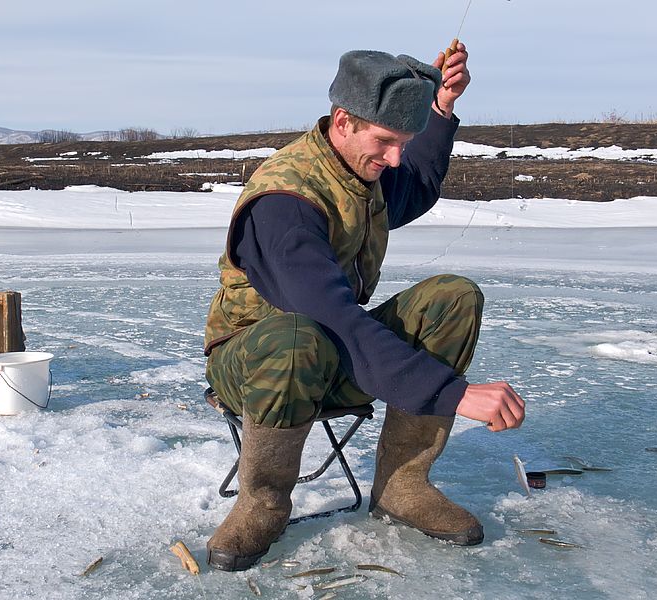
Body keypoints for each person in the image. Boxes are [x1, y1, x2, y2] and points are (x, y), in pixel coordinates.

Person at [203, 42, 526, 571]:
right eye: (385, 141)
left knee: (452, 298)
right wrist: (452, 394)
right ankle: (261, 501)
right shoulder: (285, 201)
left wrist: (440, 109)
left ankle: (404, 487)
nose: (394, 158)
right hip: (253, 363)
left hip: (331, 352)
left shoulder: (358, 169)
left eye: (405, 142)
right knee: (295, 337)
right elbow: (334, 318)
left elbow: (413, 185)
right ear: (344, 120)